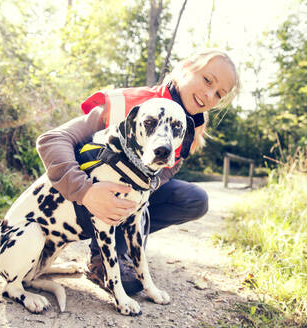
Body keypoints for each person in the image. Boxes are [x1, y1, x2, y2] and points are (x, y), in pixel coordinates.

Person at [36, 49, 240, 295]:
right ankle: (102, 254)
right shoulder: (129, 104)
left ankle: (119, 249)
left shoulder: (189, 126)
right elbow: (51, 140)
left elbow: (158, 179)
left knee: (194, 199)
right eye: (207, 80)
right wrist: (85, 191)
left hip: (125, 201)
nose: (209, 95)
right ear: (186, 68)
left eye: (219, 94)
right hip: (79, 199)